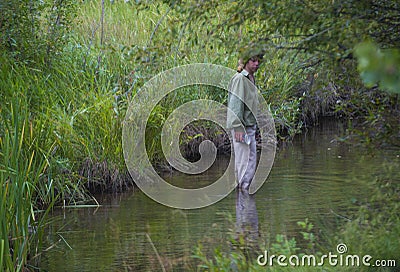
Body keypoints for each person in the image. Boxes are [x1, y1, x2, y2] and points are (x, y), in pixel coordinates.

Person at [227, 51, 262, 191]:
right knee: (245, 163)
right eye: (253, 60)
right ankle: (244, 198)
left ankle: (243, 196)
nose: (257, 64)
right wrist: (238, 127)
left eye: (258, 60)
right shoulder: (240, 79)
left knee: (248, 161)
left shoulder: (250, 78)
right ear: (246, 61)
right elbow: (235, 104)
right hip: (242, 128)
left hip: (249, 127)